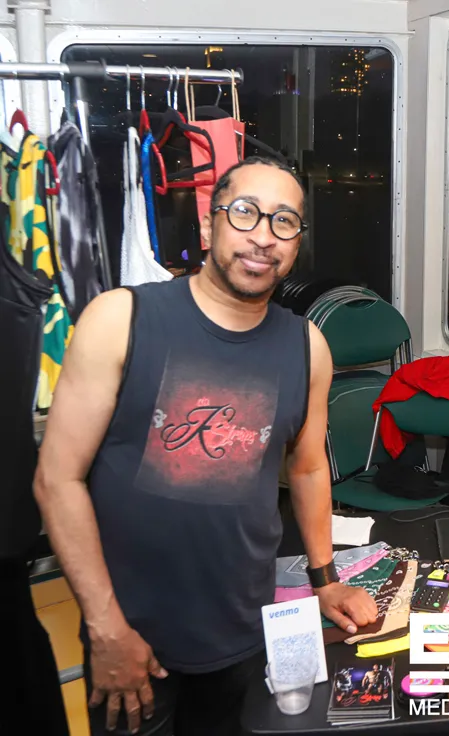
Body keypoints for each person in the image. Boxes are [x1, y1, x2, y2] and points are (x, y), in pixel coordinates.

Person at [33, 156, 378, 736]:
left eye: (284, 221)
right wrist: (105, 627)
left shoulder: (306, 346)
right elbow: (56, 480)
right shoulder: (121, 318)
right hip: (132, 639)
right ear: (207, 223)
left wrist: (325, 580)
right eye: (245, 212)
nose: (263, 236)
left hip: (244, 631)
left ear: (297, 243)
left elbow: (309, 467)